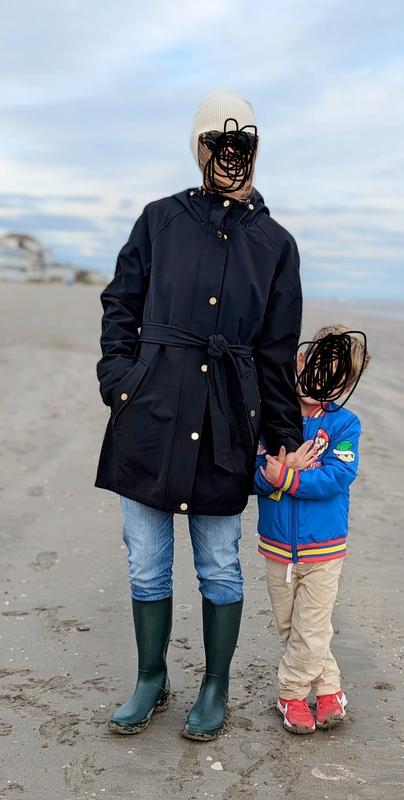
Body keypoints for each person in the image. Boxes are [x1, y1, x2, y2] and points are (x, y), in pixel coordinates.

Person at [95, 90, 304, 740]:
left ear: (255, 150)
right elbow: (120, 305)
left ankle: (213, 687)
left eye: (241, 143)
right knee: (146, 562)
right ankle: (151, 679)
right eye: (217, 142)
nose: (229, 154)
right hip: (149, 415)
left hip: (223, 422)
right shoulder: (159, 220)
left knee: (218, 561)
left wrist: (281, 437)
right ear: (200, 147)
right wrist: (120, 383)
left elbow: (276, 351)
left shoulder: (275, 244)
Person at [254, 325, 370, 734]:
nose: (319, 383)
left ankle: (290, 693)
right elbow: (253, 472)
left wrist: (289, 479)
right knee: (293, 626)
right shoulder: (271, 414)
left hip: (324, 549)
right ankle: (330, 687)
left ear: (346, 383)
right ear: (299, 361)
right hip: (277, 547)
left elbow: (338, 477)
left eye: (335, 377)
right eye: (315, 369)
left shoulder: (344, 425)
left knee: (312, 625)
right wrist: (274, 474)